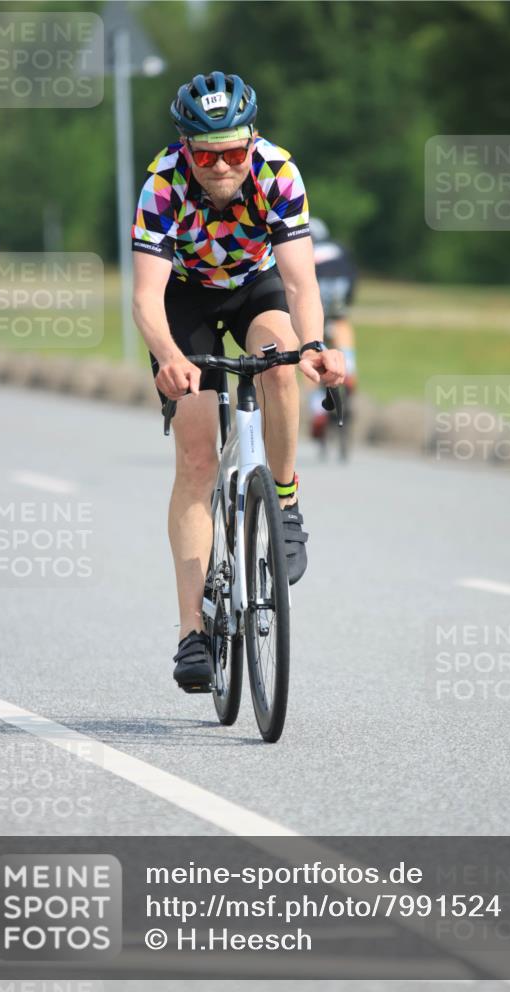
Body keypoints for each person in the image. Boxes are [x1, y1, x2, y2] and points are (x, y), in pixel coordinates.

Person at [131, 71, 345, 692]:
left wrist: (314, 345)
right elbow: (145, 298)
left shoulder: (278, 173)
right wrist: (169, 357)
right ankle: (191, 632)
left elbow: (301, 282)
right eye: (206, 156)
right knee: (197, 457)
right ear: (186, 149)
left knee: (280, 361)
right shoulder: (162, 184)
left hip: (256, 286)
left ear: (251, 141)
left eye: (232, 152)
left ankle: (285, 502)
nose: (221, 166)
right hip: (184, 299)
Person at [308, 217, 358, 440]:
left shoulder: (300, 248)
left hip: (316, 293)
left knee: (308, 352)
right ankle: (349, 369)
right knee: (341, 323)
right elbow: (353, 276)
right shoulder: (338, 248)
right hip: (340, 291)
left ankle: (317, 411)